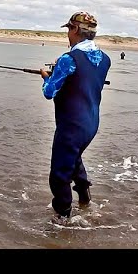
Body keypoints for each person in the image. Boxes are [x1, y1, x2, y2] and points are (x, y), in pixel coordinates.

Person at [40, 11, 111, 219]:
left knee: (59, 175)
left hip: (71, 126)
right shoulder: (105, 60)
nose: (68, 35)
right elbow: (83, 83)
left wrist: (47, 77)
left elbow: (49, 92)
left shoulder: (68, 58)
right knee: (74, 157)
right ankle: (84, 198)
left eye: (69, 30)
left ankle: (63, 220)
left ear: (75, 30)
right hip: (91, 124)